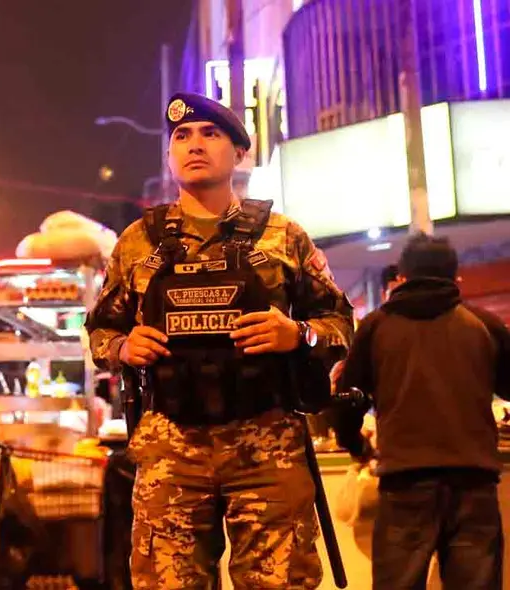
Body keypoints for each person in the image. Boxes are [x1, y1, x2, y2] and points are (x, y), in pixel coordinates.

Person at [84, 92, 354, 589]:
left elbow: (338, 322)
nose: (195, 144)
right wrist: (122, 348)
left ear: (239, 153)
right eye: (182, 137)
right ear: (169, 157)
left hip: (267, 445)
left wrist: (297, 334)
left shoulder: (283, 236)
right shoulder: (136, 242)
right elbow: (100, 328)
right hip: (170, 448)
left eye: (211, 134)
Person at [330, 234, 510, 590]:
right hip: (474, 483)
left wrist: (355, 445)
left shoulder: (377, 326)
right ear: (456, 279)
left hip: (404, 484)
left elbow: (347, 400)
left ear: (401, 277)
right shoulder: (484, 326)